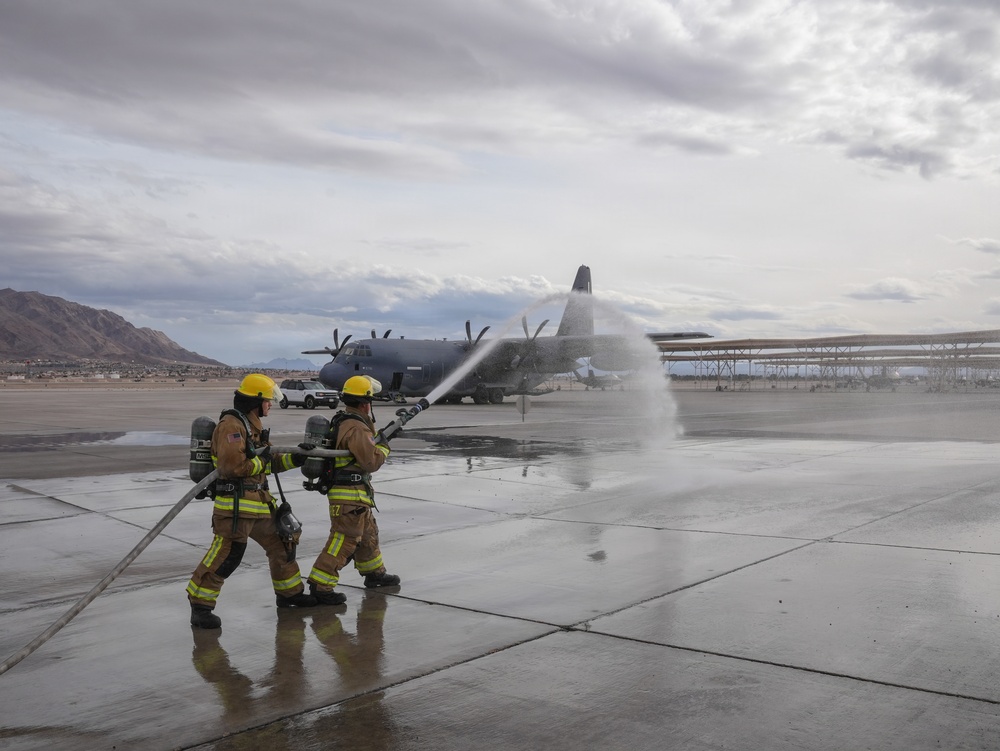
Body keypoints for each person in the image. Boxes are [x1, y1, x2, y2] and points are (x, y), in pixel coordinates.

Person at [187, 373, 317, 629]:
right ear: (255, 401)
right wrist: (263, 460)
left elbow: (268, 461)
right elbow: (232, 466)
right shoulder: (231, 426)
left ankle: (290, 594)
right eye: (267, 400)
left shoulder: (251, 424)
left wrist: (297, 457)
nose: (270, 404)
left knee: (282, 544)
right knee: (227, 554)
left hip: (257, 502)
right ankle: (200, 605)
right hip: (235, 506)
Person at [306, 375, 401, 605]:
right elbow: (371, 462)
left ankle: (374, 574)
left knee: (368, 536)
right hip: (349, 496)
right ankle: (321, 584)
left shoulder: (347, 421)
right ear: (365, 403)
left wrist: (379, 438)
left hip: (357, 495)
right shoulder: (356, 427)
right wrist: (384, 446)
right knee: (344, 541)